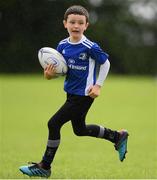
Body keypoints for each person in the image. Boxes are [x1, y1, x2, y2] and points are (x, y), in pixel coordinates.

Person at [19, 5, 129, 178]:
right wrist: (49, 75)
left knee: (53, 124)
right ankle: (117, 136)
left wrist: (98, 86)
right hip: (71, 93)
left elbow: (105, 63)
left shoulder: (89, 46)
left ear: (86, 25)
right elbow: (61, 71)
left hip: (84, 95)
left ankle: (44, 166)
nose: (76, 26)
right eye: (72, 22)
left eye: (80, 23)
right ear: (65, 24)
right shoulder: (62, 45)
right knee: (80, 129)